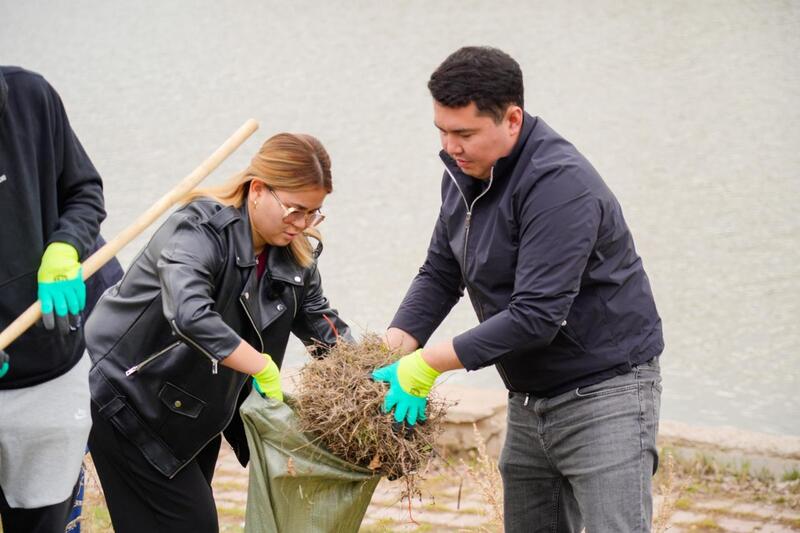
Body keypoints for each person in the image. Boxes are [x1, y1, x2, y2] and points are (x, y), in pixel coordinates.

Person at [372, 46, 664, 532]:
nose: (449, 146)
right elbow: (442, 271)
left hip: (605, 393)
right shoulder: (466, 172)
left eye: (463, 133)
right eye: (442, 131)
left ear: (511, 119)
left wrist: (427, 364)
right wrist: (395, 345)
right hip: (529, 398)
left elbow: (536, 316)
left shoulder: (559, 184)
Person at [85, 132, 351, 532]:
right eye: (295, 210)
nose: (303, 224)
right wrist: (260, 365)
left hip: (194, 411)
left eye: (314, 213)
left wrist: (370, 376)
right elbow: (190, 315)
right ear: (258, 189)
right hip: (129, 401)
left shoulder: (295, 257)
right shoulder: (196, 230)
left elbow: (322, 324)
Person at [0, 66, 122, 533]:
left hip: (51, 375)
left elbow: (83, 191)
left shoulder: (31, 96)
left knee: (45, 524)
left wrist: (66, 245)